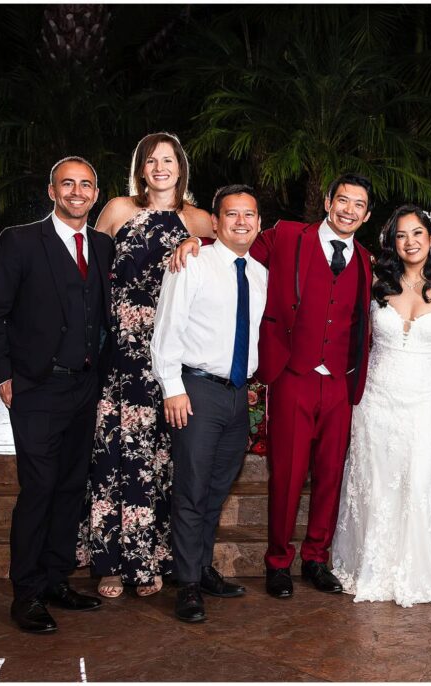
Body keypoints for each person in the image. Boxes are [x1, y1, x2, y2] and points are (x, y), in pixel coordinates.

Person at [171, 172, 375, 599]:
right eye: (342, 200)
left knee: (331, 475)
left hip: (338, 383)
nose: (348, 210)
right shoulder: (285, 237)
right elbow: (234, 248)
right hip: (292, 378)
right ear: (327, 201)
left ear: (367, 214)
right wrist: (196, 243)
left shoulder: (366, 260)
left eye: (358, 205)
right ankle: (278, 562)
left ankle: (316, 558)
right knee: (286, 474)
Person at [0, 157, 112, 633]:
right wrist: (2, 376)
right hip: (35, 387)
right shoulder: (19, 241)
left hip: (84, 386)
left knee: (72, 488)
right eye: (68, 184)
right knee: (38, 489)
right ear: (52, 191)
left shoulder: (101, 245)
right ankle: (27, 593)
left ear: (96, 193)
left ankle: (56, 579)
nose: (77, 192)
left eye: (86, 185)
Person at [78, 132, 214, 599]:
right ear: (140, 168)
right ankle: (112, 564)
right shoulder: (118, 210)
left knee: (164, 461)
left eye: (168, 159)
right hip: (124, 359)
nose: (160, 167)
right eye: (151, 160)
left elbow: (232, 265)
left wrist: (200, 246)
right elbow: (87, 278)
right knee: (118, 457)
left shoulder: (201, 220)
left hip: (175, 358)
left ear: (181, 167)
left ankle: (152, 558)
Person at [331, 204, 431, 607]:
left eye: (417, 234)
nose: (410, 242)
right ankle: (373, 565)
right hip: (376, 398)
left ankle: (419, 568)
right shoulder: (377, 280)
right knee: (376, 479)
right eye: (401, 235)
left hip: (425, 398)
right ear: (392, 242)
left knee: (418, 478)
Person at [150, 184, 267, 622]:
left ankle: (200, 566)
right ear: (215, 222)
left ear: (258, 223)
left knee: (218, 487)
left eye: (249, 215)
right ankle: (189, 585)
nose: (241, 221)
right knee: (192, 488)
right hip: (196, 391)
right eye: (231, 214)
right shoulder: (192, 262)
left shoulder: (260, 275)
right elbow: (167, 326)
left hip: (238, 395)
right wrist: (171, 387)